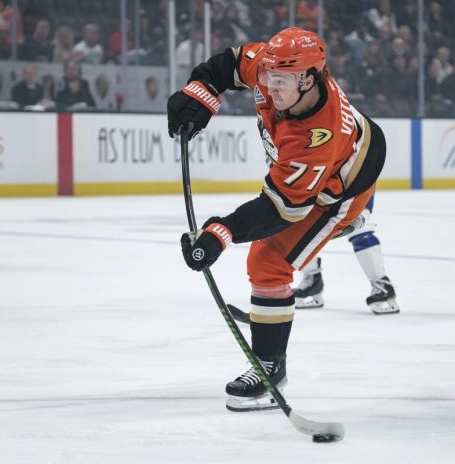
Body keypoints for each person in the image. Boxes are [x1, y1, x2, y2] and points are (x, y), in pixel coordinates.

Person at [168, 27, 389, 411]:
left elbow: (281, 207)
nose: (270, 87)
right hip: (314, 172)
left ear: (310, 79)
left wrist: (220, 232)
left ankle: (271, 368)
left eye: (282, 81)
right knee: (269, 254)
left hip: (337, 191)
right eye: (268, 77)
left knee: (268, 261)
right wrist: (200, 94)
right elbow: (229, 64)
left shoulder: (318, 136)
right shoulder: (273, 66)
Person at [293, 194, 400, 314]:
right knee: (297, 226)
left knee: (360, 228)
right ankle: (313, 279)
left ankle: (382, 285)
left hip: (355, 185)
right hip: (322, 185)